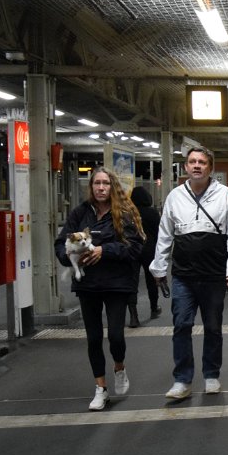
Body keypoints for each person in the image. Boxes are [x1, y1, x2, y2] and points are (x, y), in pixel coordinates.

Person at [150, 147, 228, 399]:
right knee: (181, 325)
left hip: (214, 275)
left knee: (213, 326)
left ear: (210, 167)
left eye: (202, 162)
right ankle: (182, 380)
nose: (196, 166)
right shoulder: (175, 196)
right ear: (185, 168)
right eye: (192, 162)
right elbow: (165, 234)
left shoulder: (224, 195)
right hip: (183, 275)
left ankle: (211, 374)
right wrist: (158, 267)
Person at [54, 167, 145, 411]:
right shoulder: (80, 213)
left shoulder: (124, 213)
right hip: (88, 285)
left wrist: (104, 251)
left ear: (112, 186)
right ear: (91, 187)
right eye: (97, 183)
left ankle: (119, 366)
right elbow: (60, 243)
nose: (101, 187)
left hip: (116, 284)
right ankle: (100, 388)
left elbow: (135, 248)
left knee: (115, 336)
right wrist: (68, 256)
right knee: (94, 338)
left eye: (105, 183)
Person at [127, 186, 161, 325]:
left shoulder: (128, 213)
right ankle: (154, 306)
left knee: (132, 282)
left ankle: (133, 315)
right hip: (149, 249)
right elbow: (159, 233)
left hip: (132, 250)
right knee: (151, 280)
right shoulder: (152, 213)